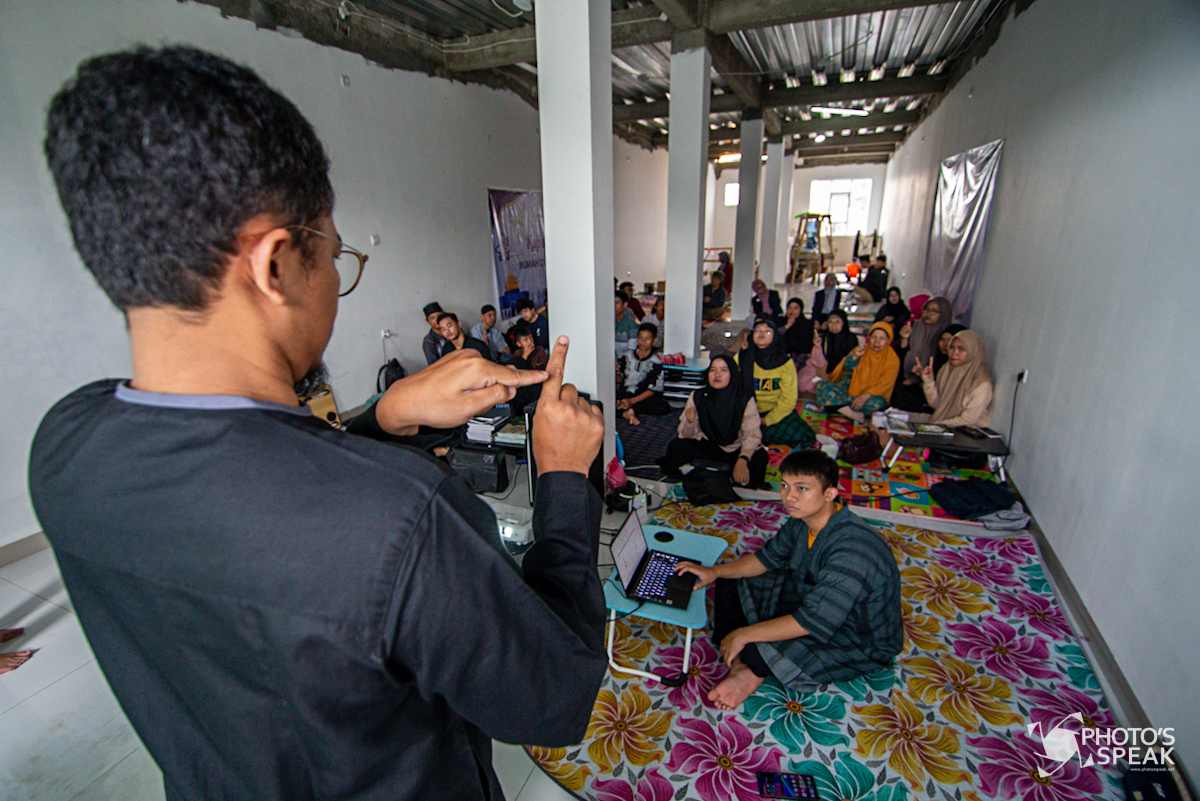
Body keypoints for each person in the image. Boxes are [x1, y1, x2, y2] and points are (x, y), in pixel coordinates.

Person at [31, 46, 607, 801]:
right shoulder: (401, 519)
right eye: (336, 256)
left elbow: (276, 505)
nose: (339, 280)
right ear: (274, 265)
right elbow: (556, 694)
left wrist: (385, 420)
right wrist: (563, 480)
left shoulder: (65, 448)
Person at [674, 449, 902, 710]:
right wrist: (715, 571)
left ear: (829, 494)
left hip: (855, 637)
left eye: (801, 488)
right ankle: (743, 663)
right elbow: (766, 559)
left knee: (762, 646)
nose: (788, 496)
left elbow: (812, 621)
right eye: (784, 485)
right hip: (810, 595)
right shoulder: (803, 520)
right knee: (731, 581)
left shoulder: (852, 553)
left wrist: (743, 634)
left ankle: (749, 667)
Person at [657, 355, 768, 488]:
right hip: (708, 446)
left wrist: (743, 459)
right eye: (713, 370)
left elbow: (752, 434)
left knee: (759, 458)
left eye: (723, 370)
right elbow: (685, 435)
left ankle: (728, 476)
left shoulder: (744, 400)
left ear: (732, 374)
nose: (717, 375)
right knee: (677, 447)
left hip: (735, 449)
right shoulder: (698, 396)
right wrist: (690, 422)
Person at [736, 319, 815, 448]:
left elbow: (789, 398)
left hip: (772, 411)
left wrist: (767, 420)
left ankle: (757, 435)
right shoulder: (742, 357)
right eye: (758, 331)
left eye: (767, 331)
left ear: (775, 337)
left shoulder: (785, 363)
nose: (761, 334)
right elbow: (729, 383)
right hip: (745, 412)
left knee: (805, 435)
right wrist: (742, 353)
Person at [816, 322, 900, 422]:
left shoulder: (892, 359)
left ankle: (836, 406)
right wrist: (855, 356)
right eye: (874, 337)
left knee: (876, 405)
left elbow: (885, 384)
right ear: (869, 338)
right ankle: (850, 412)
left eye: (882, 338)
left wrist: (865, 396)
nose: (877, 342)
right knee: (821, 386)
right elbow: (844, 368)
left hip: (870, 398)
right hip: (849, 392)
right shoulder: (862, 350)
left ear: (888, 340)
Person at [915, 329, 994, 427]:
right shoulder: (947, 370)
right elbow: (938, 405)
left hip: (965, 431)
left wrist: (936, 425)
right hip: (942, 426)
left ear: (972, 351)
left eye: (961, 349)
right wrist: (928, 381)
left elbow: (969, 419)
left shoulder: (981, 382)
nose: (954, 353)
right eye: (952, 347)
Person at [890, 296, 954, 412]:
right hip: (905, 376)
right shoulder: (914, 326)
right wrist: (904, 338)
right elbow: (900, 354)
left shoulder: (947, 335)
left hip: (928, 384)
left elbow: (942, 365)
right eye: (926, 309)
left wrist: (919, 378)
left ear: (943, 314)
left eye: (934, 311)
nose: (928, 313)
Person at [615, 323, 670, 425]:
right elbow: (621, 379)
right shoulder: (627, 356)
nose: (643, 342)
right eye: (640, 338)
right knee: (608, 399)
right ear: (637, 338)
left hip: (641, 396)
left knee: (662, 406)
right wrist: (617, 375)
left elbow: (653, 389)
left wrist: (632, 401)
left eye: (647, 339)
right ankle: (627, 411)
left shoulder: (656, 362)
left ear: (654, 341)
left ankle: (626, 410)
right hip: (625, 392)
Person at [797, 309, 856, 394]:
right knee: (803, 381)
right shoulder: (824, 338)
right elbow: (816, 360)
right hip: (822, 370)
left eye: (837, 322)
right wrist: (817, 346)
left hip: (842, 372)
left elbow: (851, 361)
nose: (834, 325)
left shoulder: (850, 338)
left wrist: (833, 373)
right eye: (831, 322)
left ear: (843, 323)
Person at [780, 297, 813, 366]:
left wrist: (797, 362)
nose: (792, 310)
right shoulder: (780, 321)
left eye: (795, 308)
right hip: (781, 357)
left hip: (800, 359)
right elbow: (775, 336)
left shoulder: (806, 324)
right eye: (789, 307)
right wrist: (787, 326)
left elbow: (806, 347)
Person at [614, 290, 640, 356]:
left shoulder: (630, 323)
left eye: (617, 303)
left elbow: (632, 347)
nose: (614, 306)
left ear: (625, 305)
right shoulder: (606, 322)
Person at [421, 301, 447, 365]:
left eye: (439, 315)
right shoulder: (429, 341)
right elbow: (434, 365)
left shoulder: (453, 330)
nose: (437, 319)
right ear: (428, 321)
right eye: (432, 318)